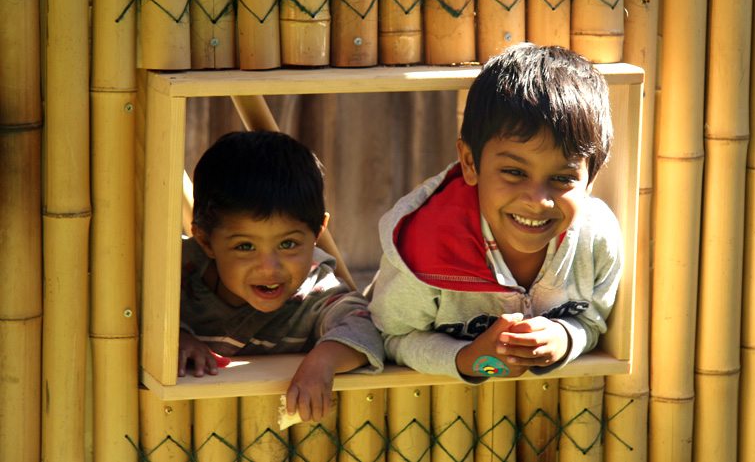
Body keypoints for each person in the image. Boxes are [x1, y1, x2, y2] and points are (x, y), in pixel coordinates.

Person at [367, 43, 623, 381]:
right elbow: (392, 336)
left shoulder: (598, 239)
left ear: (592, 178)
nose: (538, 200)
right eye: (514, 172)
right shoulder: (424, 248)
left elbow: (592, 321)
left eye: (562, 178)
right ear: (470, 163)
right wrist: (467, 359)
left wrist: (564, 337)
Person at [179, 130, 384, 421]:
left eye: (288, 244)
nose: (269, 268)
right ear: (206, 241)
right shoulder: (174, 274)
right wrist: (173, 337)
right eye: (245, 246)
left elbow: (366, 330)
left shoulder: (316, 292)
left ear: (317, 233)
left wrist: (322, 362)